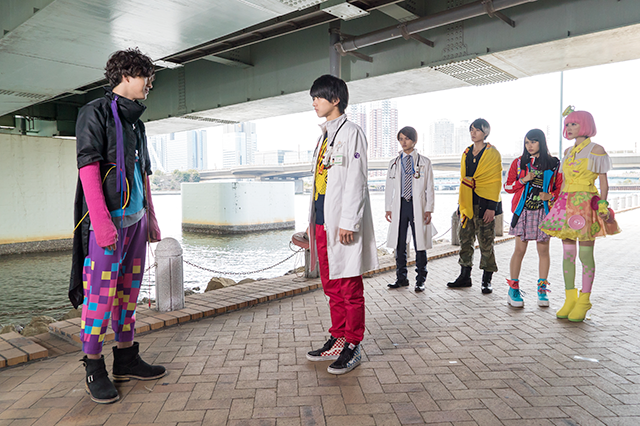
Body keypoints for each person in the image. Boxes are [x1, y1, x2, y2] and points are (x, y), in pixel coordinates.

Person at [69, 48, 166, 404]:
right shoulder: (94, 112)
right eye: (145, 77)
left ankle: (126, 359)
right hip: (108, 225)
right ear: (126, 76)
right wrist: (101, 223)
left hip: (136, 222)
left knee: (128, 294)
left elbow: (144, 173)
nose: (149, 84)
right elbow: (88, 168)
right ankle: (94, 366)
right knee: (99, 297)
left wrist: (151, 217)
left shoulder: (136, 122)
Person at [305, 75, 378, 375]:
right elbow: (320, 182)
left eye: (318, 97)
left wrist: (349, 222)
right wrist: (312, 222)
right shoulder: (325, 136)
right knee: (331, 285)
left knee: (349, 286)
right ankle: (337, 338)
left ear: (335, 99)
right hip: (322, 220)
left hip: (342, 224)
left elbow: (356, 181)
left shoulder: (352, 133)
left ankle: (353, 343)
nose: (314, 103)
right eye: (313, 98)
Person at [539, 109, 620, 322]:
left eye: (573, 124)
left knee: (585, 255)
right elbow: (564, 182)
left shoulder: (596, 150)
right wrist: (557, 204)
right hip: (566, 204)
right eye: (567, 125)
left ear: (585, 125)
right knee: (567, 255)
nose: (569, 128)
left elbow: (603, 182)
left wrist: (603, 204)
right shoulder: (567, 152)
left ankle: (584, 300)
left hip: (585, 204)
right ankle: (570, 299)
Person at [504, 129, 562, 308]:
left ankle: (542, 290)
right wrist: (523, 180)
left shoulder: (554, 163)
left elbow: (560, 188)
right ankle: (513, 289)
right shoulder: (518, 162)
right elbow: (507, 186)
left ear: (541, 142)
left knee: (543, 251)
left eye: (533, 142)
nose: (529, 146)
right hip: (522, 211)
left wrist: (550, 196)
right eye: (527, 142)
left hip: (543, 211)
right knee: (519, 250)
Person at [448, 118, 503, 293]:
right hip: (467, 204)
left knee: (486, 243)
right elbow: (463, 180)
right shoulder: (466, 153)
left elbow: (495, 182)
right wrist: (460, 205)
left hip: (485, 205)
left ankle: (487, 280)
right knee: (465, 240)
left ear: (485, 132)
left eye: (477, 130)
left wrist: (492, 207)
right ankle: (465, 277)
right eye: (471, 129)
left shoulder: (493, 153)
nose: (473, 133)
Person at [385, 126, 436, 292]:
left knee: (419, 242)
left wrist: (429, 209)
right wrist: (388, 208)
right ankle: (401, 278)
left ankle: (420, 279)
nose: (403, 142)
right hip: (400, 205)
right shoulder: (394, 163)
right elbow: (389, 188)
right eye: (401, 139)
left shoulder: (424, 162)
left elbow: (429, 187)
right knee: (399, 243)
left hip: (417, 205)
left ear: (414, 140)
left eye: (406, 138)